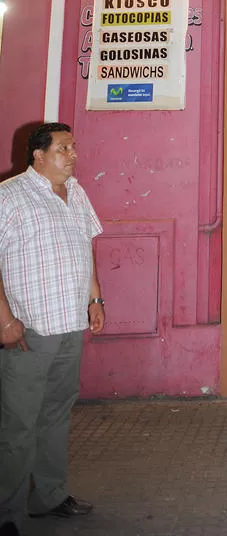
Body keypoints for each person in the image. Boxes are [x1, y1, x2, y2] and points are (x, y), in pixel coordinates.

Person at [0, 123, 104, 536]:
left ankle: (49, 495)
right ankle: (7, 513)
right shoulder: (9, 197)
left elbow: (87, 248)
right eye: (63, 148)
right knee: (18, 424)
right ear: (38, 156)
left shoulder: (76, 193)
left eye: (74, 146)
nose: (73, 154)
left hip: (69, 324)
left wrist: (95, 299)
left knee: (56, 414)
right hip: (30, 328)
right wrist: (4, 319)